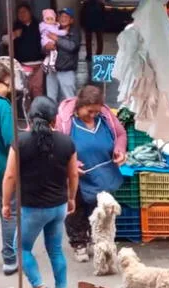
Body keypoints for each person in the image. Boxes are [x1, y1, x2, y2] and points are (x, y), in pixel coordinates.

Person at [2, 96, 78, 288]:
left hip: (32, 209)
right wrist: (71, 198)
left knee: (21, 247)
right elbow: (73, 175)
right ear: (54, 120)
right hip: (58, 206)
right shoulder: (66, 142)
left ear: (29, 118)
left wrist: (5, 204)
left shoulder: (21, 142)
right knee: (55, 249)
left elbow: (10, 176)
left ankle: (39, 287)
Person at [56, 85, 126, 262]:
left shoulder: (106, 116)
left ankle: (97, 240)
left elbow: (120, 134)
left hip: (103, 171)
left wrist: (119, 150)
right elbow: (56, 144)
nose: (94, 115)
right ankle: (78, 242)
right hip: (77, 174)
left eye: (96, 111)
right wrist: (70, 165)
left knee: (98, 210)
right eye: (90, 111)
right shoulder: (65, 121)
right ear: (80, 106)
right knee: (76, 209)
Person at [0, 61, 17, 275]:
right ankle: (9, 259)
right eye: (6, 84)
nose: (8, 89)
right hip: (1, 172)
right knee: (7, 211)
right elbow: (11, 143)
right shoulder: (2, 106)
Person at [9, 3, 45, 98]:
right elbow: (5, 41)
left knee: (37, 89)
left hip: (38, 64)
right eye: (19, 13)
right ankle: (27, 112)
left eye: (24, 11)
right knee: (26, 91)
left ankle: (38, 111)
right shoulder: (15, 27)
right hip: (22, 65)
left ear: (30, 12)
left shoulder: (39, 26)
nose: (22, 14)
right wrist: (13, 36)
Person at [45, 8, 81, 103]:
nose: (63, 18)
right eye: (61, 16)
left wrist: (57, 39)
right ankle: (53, 117)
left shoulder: (74, 32)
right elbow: (43, 46)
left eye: (66, 16)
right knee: (51, 98)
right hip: (52, 70)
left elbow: (72, 46)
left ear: (71, 20)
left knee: (69, 99)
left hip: (66, 70)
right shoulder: (53, 29)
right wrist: (46, 47)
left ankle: (69, 118)